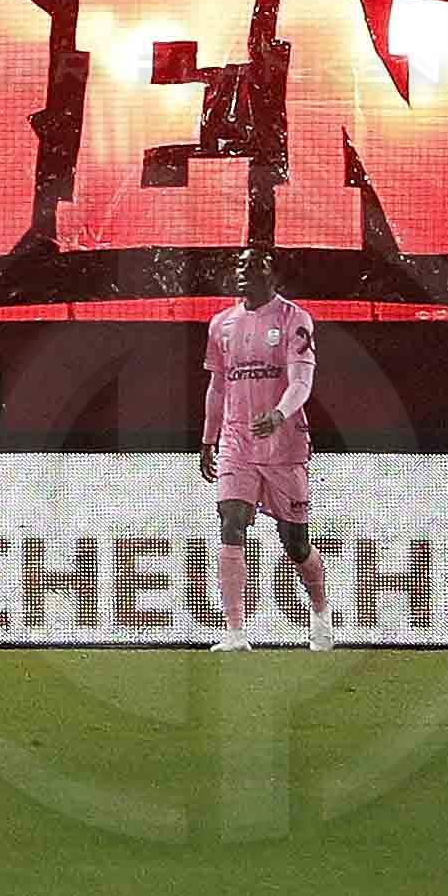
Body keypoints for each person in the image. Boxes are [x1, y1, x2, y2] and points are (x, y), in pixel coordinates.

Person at [196, 247, 329, 653]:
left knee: (295, 542)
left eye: (254, 268)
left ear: (273, 276)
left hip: (284, 445)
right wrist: (208, 437)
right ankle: (235, 632)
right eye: (240, 268)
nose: (244, 275)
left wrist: (280, 414)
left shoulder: (294, 320)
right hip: (237, 442)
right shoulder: (222, 324)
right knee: (231, 520)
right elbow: (218, 386)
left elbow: (301, 382)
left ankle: (321, 610)